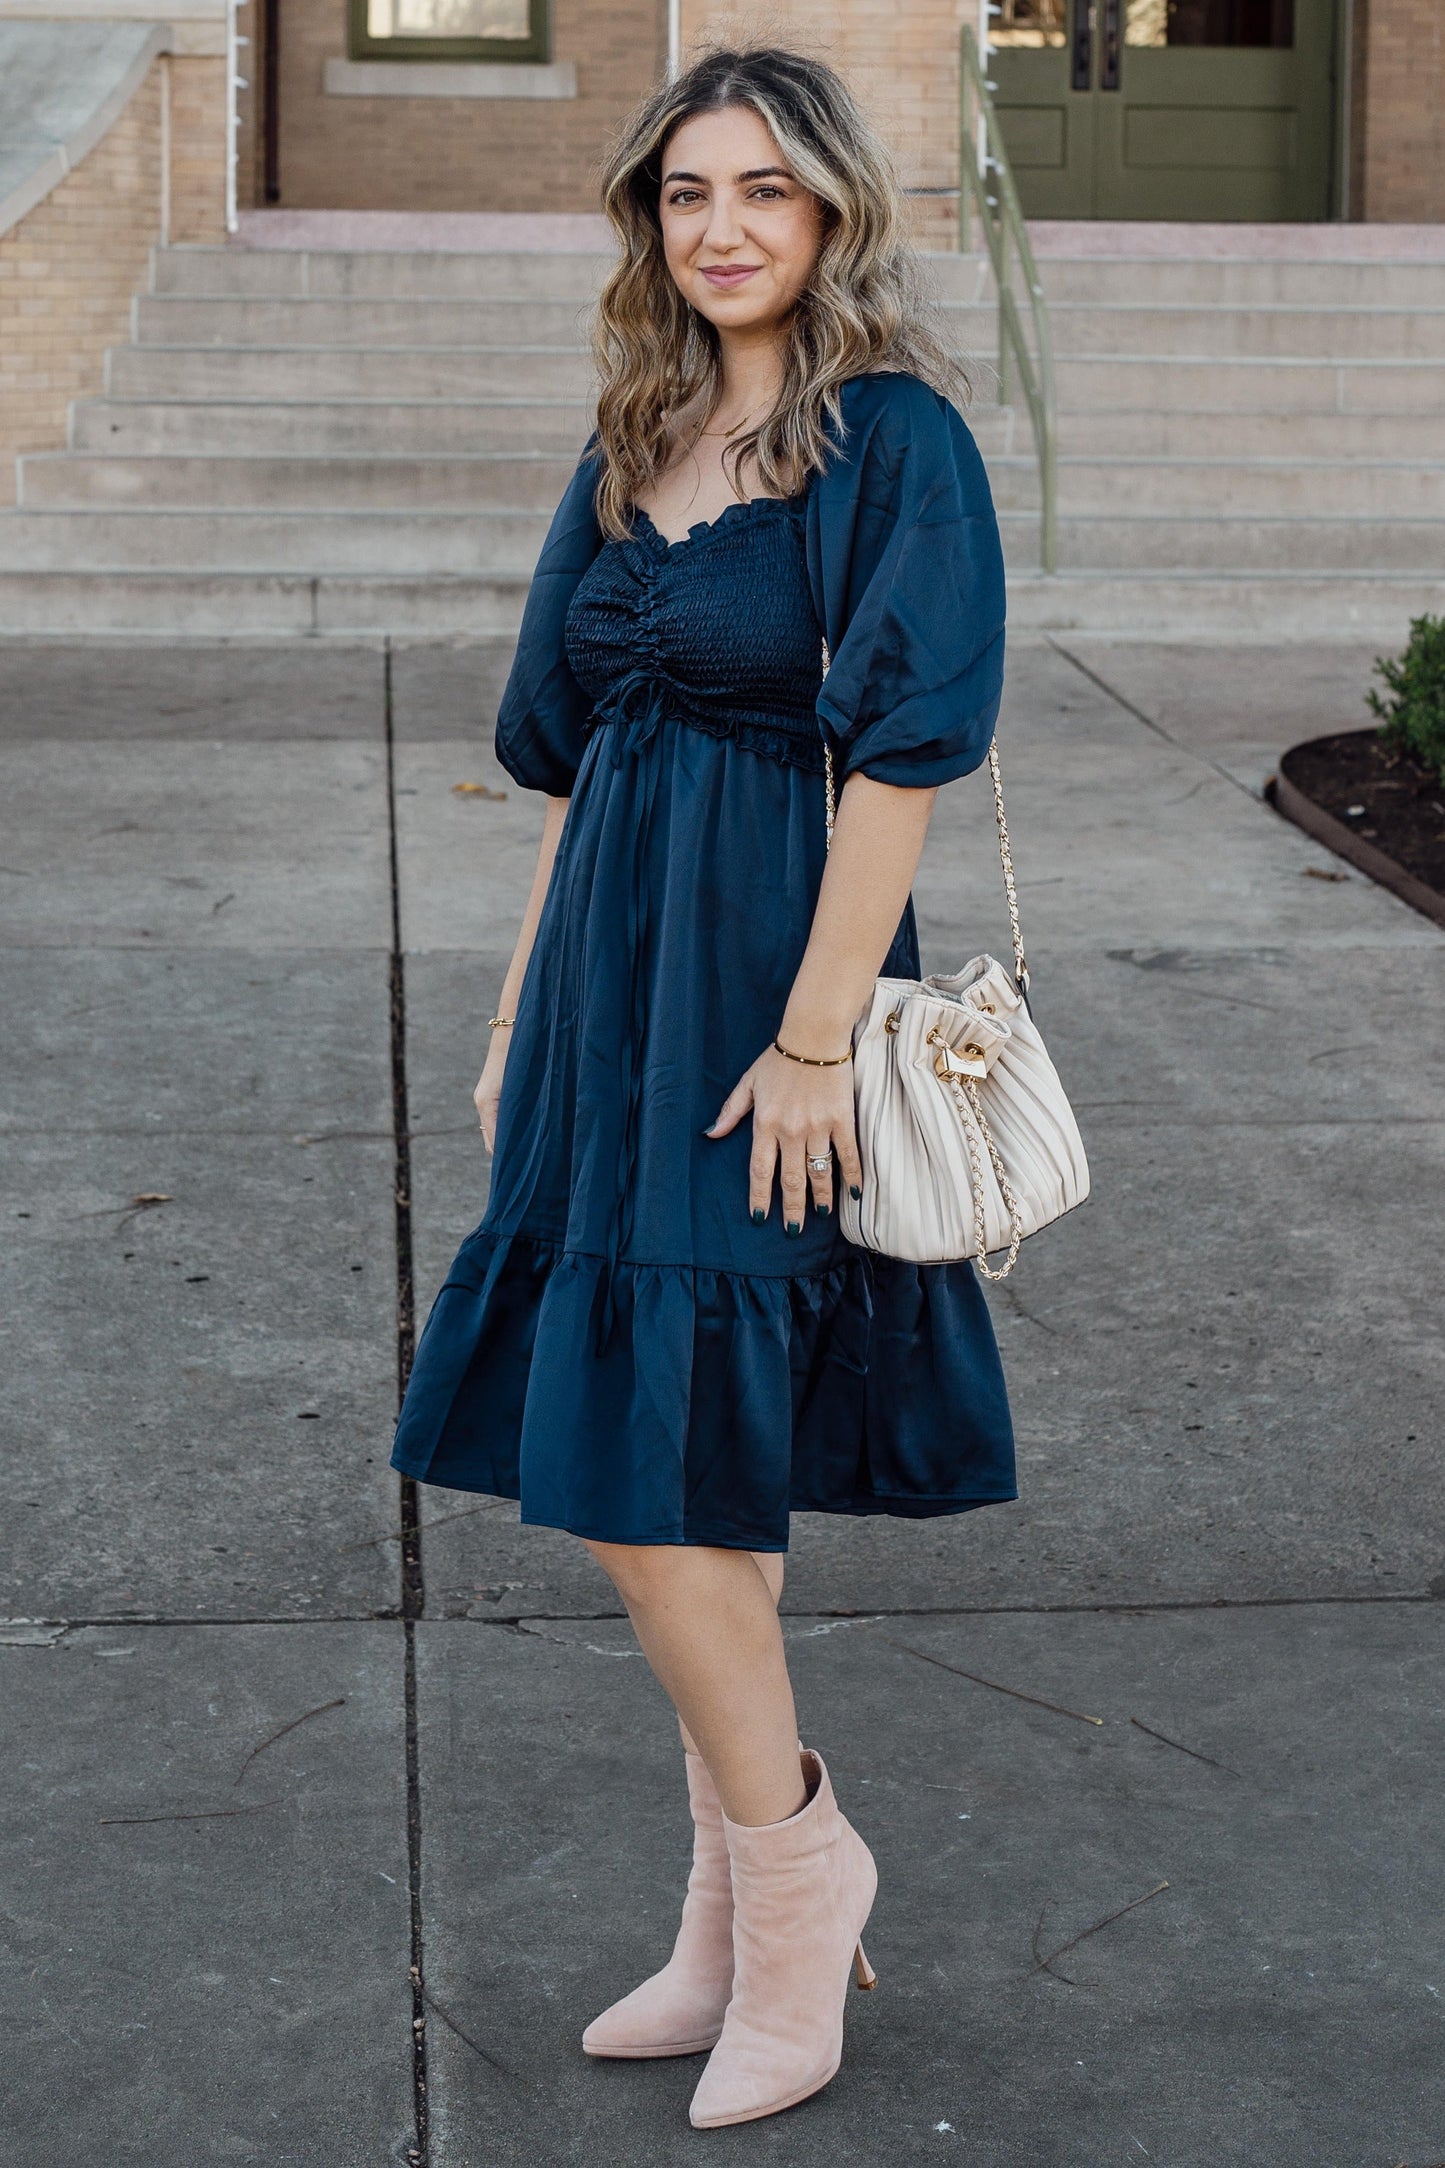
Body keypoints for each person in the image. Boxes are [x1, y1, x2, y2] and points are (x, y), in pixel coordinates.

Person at [391, 43, 1015, 2130]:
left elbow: (909, 761)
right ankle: (738, 1915)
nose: (723, 225)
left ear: (833, 210)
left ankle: (799, 1867)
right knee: (671, 1474)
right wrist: (508, 1017)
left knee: (651, 1479)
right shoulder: (635, 430)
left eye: (764, 188)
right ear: (648, 224)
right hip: (605, 992)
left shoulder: (894, 441)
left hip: (773, 992)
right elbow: (584, 765)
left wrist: (820, 1032)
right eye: (684, 193)